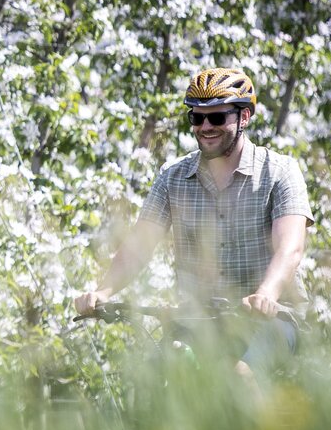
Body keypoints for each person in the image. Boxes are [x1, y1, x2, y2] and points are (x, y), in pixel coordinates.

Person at [73, 67, 314, 392]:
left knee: (238, 377)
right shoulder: (173, 176)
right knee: (151, 383)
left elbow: (290, 248)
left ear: (244, 117)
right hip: (196, 322)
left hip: (268, 321)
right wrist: (102, 292)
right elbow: (139, 246)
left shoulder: (279, 172)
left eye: (216, 118)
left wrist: (267, 294)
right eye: (196, 118)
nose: (205, 127)